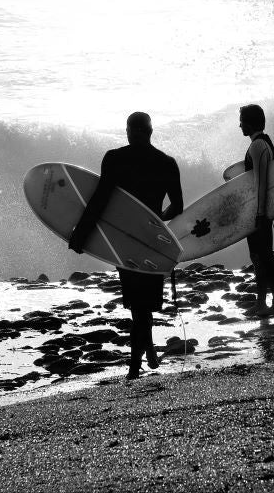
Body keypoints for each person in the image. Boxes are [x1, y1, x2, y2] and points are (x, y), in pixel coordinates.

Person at [68, 112, 183, 380]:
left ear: (129, 131)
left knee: (137, 305)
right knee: (144, 304)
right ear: (151, 131)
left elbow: (100, 200)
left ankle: (134, 366)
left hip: (124, 242)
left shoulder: (115, 158)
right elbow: (177, 206)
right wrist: (158, 222)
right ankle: (146, 349)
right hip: (152, 241)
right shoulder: (167, 163)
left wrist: (81, 234)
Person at [239, 104, 274, 317]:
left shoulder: (257, 145)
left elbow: (261, 183)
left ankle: (273, 303)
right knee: (260, 256)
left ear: (249, 122)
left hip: (259, 212)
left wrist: (259, 213)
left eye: (242, 121)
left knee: (263, 257)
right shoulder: (266, 142)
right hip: (263, 210)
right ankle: (264, 302)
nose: (239, 125)